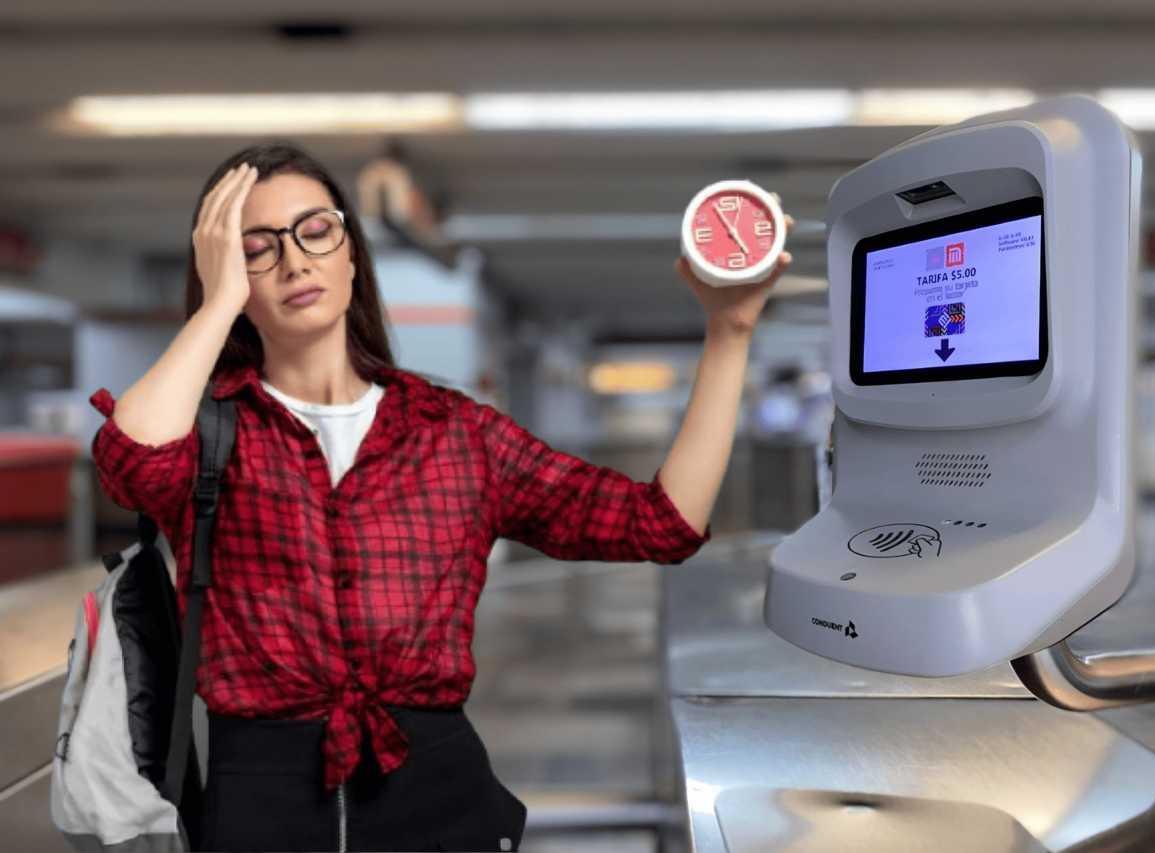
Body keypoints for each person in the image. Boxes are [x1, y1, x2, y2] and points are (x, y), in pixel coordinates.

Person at [89, 144, 790, 852]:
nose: (295, 260)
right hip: (258, 806)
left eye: (315, 230)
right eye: (257, 248)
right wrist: (217, 308)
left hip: (439, 801)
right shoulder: (213, 431)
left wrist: (730, 330)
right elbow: (132, 463)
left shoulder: (454, 432)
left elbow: (661, 523)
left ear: (351, 252)